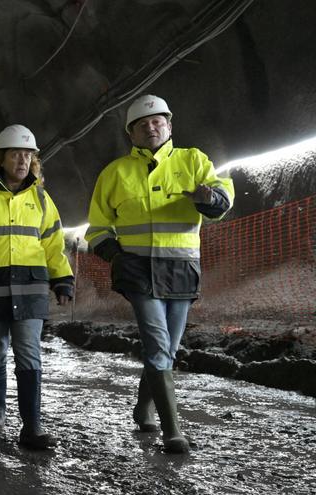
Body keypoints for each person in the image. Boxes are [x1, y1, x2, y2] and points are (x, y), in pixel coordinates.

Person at [85, 95, 234, 454]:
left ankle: (143, 408)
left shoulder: (193, 160)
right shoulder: (114, 173)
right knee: (156, 344)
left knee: (167, 347)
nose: (150, 127)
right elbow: (98, 228)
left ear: (169, 125)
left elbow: (223, 199)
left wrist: (208, 197)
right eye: (141, 124)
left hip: (181, 269)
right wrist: (115, 255)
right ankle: (172, 431)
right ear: (131, 134)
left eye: (157, 121)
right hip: (137, 272)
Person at [0, 124, 74, 449]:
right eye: (15, 154)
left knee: (28, 353)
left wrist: (63, 278)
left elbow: (53, 244)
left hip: (31, 289)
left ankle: (32, 426)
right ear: (1, 159)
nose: (22, 160)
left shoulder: (41, 198)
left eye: (28, 155)